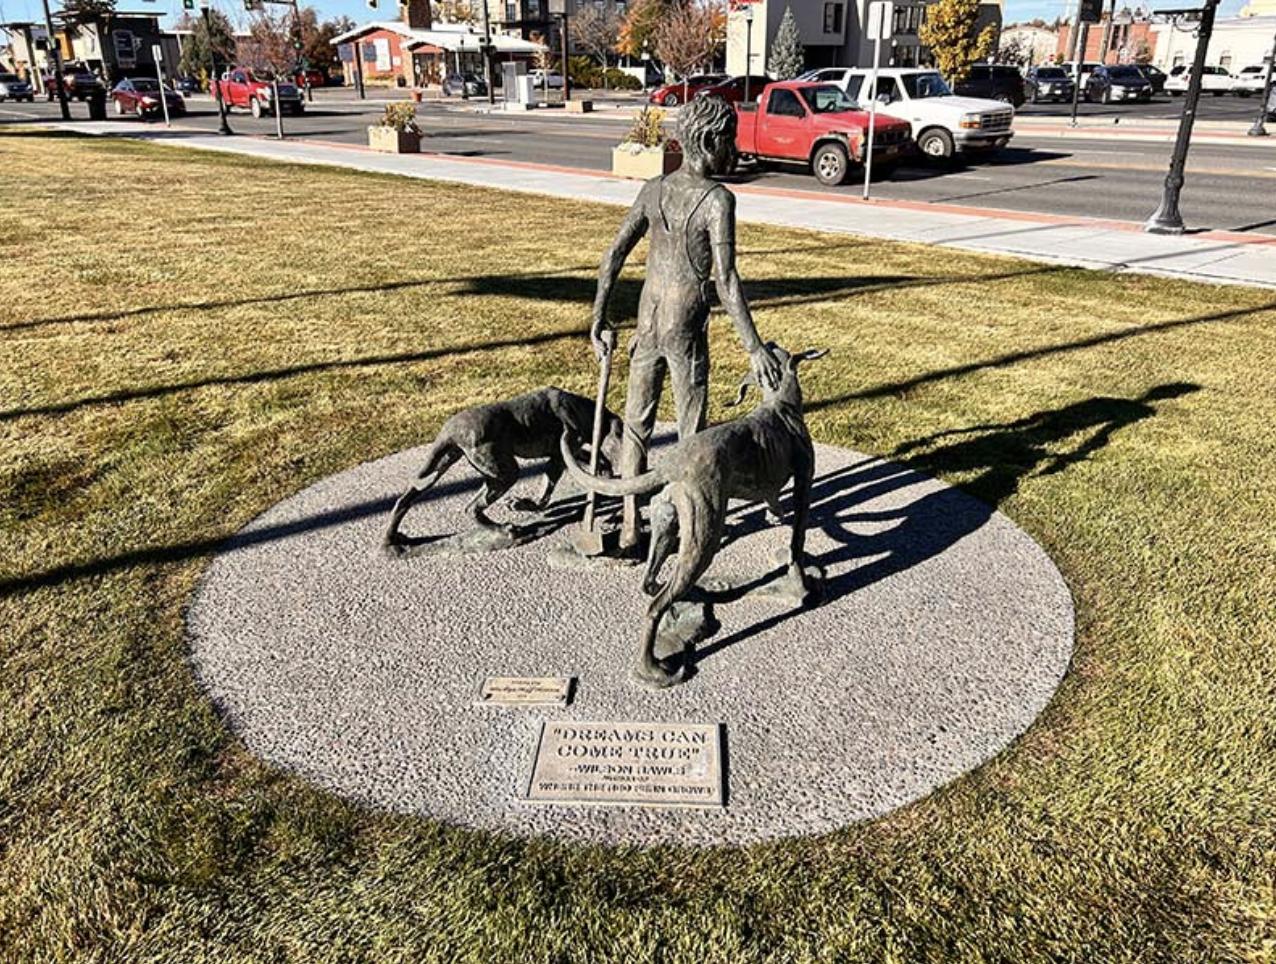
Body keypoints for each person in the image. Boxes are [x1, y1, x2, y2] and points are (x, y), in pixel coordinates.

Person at [590, 95, 781, 552]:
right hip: (684, 327)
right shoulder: (718, 199)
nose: (734, 151)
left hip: (647, 322)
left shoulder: (653, 189)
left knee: (637, 423)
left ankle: (634, 521)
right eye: (730, 142)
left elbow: (613, 254)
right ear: (709, 141)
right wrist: (754, 347)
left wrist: (598, 316)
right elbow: (726, 279)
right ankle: (679, 520)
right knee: (691, 431)